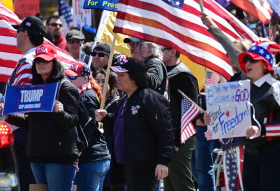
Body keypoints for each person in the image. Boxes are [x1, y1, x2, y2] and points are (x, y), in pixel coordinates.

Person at [6, 44, 82, 190]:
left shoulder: (65, 87)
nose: (41, 64)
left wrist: (59, 112)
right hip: (37, 156)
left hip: (59, 158)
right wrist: (10, 117)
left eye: (46, 61)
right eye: (38, 61)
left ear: (54, 63)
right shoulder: (36, 88)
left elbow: (72, 121)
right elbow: (32, 122)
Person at [95, 57, 173, 191]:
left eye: (122, 75)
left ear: (134, 77)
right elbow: (121, 126)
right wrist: (106, 118)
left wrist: (163, 161)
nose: (117, 78)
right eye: (117, 74)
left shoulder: (151, 99)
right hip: (124, 165)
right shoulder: (125, 99)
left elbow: (165, 131)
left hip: (144, 167)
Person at [235, 41, 280, 190]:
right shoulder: (245, 88)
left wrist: (261, 130)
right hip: (251, 152)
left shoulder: (277, 87)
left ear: (265, 64)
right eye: (246, 59)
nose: (247, 63)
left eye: (252, 59)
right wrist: (213, 121)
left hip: (273, 153)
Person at [9, 16, 47, 190]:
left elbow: (21, 97)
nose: (15, 35)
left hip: (24, 132)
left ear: (25, 34)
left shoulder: (27, 63)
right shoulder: (36, 60)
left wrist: (0, 103)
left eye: (18, 31)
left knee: (27, 184)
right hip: (31, 131)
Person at [67, 62, 111, 191]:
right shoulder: (84, 95)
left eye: (74, 77)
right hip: (96, 158)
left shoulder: (86, 97)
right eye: (69, 76)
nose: (70, 80)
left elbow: (88, 126)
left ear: (86, 78)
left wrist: (77, 151)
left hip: (91, 158)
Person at [161, 46, 198, 191]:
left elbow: (191, 111)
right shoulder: (164, 73)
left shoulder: (184, 75)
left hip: (181, 138)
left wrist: (178, 140)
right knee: (170, 185)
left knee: (182, 184)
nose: (159, 51)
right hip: (167, 136)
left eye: (163, 48)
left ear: (173, 51)